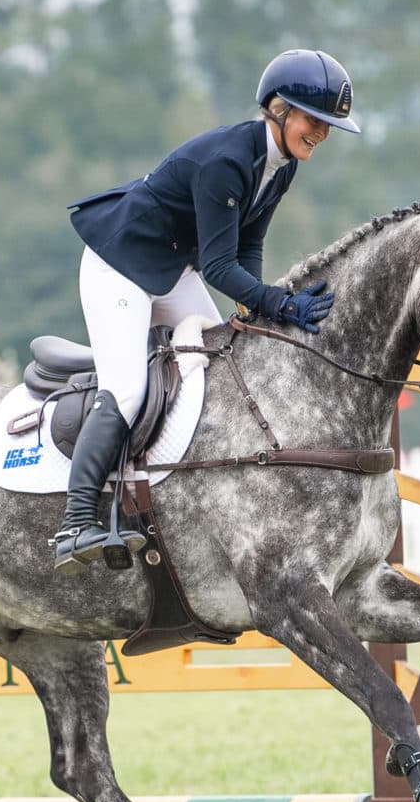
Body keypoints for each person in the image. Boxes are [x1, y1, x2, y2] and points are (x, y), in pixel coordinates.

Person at [51, 49, 362, 573]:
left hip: (173, 270)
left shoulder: (280, 166)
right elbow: (218, 266)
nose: (322, 133)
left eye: (329, 125)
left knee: (225, 367)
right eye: (314, 120)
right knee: (126, 389)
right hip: (119, 264)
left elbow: (247, 247)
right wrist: (281, 303)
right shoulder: (227, 161)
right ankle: (75, 522)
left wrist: (257, 308)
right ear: (279, 109)